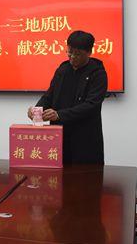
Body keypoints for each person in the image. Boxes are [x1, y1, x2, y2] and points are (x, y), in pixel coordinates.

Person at [28, 30, 108, 164]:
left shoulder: (98, 74)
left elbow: (91, 106)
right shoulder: (63, 70)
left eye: (78, 54)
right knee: (57, 172)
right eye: (69, 52)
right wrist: (37, 109)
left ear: (89, 52)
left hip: (85, 138)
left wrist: (59, 115)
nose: (72, 57)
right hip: (59, 135)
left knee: (85, 175)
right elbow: (49, 95)